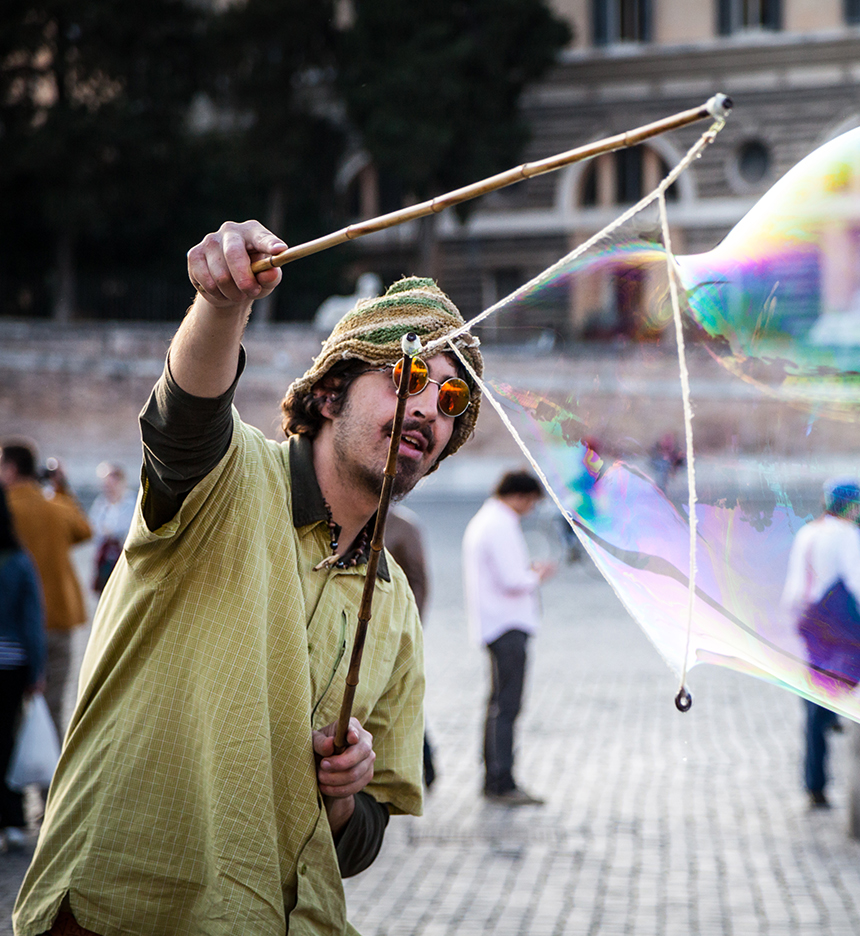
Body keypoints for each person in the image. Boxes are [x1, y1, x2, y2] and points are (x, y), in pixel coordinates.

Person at [14, 220, 485, 936]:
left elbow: (359, 845)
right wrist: (222, 303)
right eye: (408, 376)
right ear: (328, 395)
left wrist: (344, 791)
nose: (427, 407)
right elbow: (184, 421)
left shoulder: (396, 612)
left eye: (452, 402)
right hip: (124, 911)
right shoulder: (227, 478)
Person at [782, 479, 860, 809]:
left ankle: (814, 782)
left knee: (814, 698)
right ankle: (837, 720)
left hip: (809, 622)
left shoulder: (808, 531)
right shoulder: (847, 533)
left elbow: (794, 586)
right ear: (851, 506)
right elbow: (858, 580)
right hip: (837, 622)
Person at [463, 470, 556, 806]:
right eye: (531, 502)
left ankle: (494, 776)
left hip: (494, 624)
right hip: (507, 626)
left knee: (497, 704)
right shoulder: (499, 524)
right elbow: (512, 578)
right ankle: (501, 780)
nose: (530, 509)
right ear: (520, 496)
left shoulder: (488, 520)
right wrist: (537, 574)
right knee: (507, 706)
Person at [0, 441, 91, 733]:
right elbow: (84, 530)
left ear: (11, 469)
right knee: (52, 710)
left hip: (10, 625)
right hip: (59, 618)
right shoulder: (56, 507)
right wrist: (61, 488)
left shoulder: (6, 511)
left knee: (8, 713)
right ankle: (49, 774)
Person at [0, 488, 47, 850]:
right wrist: (38, 671)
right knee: (8, 740)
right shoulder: (17, 559)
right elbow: (32, 621)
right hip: (12, 663)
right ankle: (14, 821)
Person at [382, 505, 437, 790]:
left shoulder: (404, 526)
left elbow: (419, 582)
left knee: (403, 697)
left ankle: (425, 764)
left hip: (395, 631)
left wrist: (409, 628)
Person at [87, 462, 136, 595]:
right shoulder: (101, 504)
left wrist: (113, 532)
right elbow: (93, 528)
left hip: (126, 557)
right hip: (105, 559)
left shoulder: (133, 502)